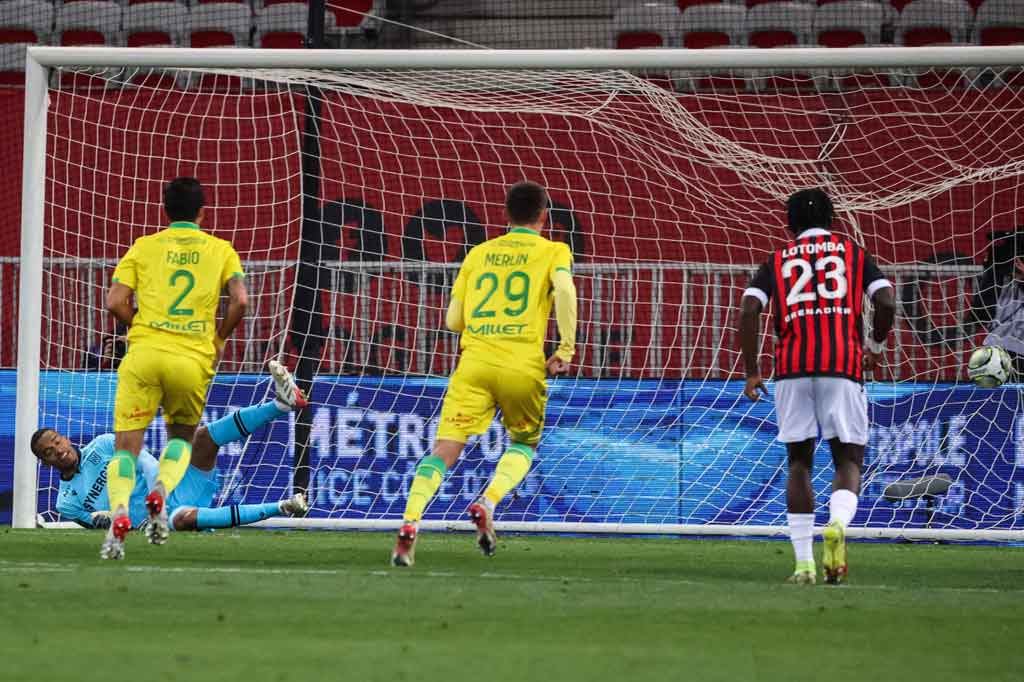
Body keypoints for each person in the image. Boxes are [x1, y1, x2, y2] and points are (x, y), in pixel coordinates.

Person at [391, 181, 578, 567]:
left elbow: (453, 320)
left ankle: (410, 522)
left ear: (505, 215)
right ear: (544, 215)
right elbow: (564, 290)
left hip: (474, 363)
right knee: (524, 442)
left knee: (443, 451)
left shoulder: (478, 253)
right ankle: (488, 501)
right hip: (522, 365)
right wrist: (564, 348)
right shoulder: (554, 250)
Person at [738, 188, 896, 585]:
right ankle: (838, 524)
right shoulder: (851, 253)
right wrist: (874, 345)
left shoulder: (777, 260)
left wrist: (752, 370)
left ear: (790, 223)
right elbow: (888, 301)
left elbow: (749, 308)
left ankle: (804, 564)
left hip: (791, 368)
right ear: (833, 220)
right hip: (842, 365)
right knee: (847, 460)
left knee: (798, 463)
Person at [102, 177, 249, 559]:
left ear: (165, 211)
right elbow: (240, 300)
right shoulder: (221, 250)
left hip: (144, 355)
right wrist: (219, 338)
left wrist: (140, 326)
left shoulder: (144, 247)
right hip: (191, 357)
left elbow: (115, 301)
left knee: (126, 447)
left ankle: (119, 512)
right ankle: (162, 493)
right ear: (203, 211)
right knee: (182, 438)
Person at [32, 361, 309, 538]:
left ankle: (282, 405)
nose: (57, 449)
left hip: (172, 488)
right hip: (161, 520)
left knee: (202, 438)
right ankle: (284, 506)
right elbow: (103, 527)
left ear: (65, 438)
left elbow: (148, 463)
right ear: (46, 463)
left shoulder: (104, 444)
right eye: (48, 451)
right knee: (187, 519)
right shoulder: (66, 502)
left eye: (57, 440)